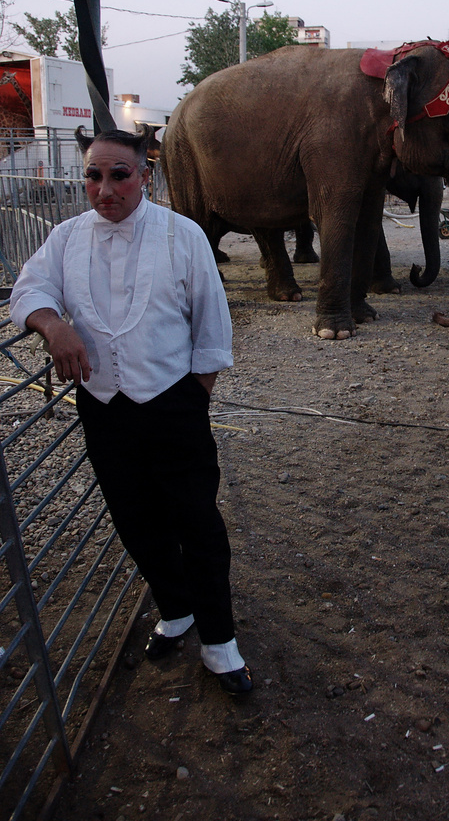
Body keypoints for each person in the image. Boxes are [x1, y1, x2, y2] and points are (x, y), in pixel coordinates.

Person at [10, 126, 252, 696]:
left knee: (199, 525)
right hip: (103, 408)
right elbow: (28, 288)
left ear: (146, 175)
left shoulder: (183, 234)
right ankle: (177, 609)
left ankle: (220, 644)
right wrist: (53, 325)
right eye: (94, 174)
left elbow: (211, 326)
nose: (105, 188)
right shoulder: (67, 238)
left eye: (119, 174)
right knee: (134, 519)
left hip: (175, 404)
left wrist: (195, 398)